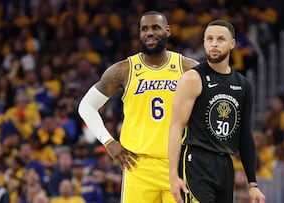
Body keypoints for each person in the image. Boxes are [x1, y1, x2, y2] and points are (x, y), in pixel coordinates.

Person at [78, 11, 198, 202]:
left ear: (168, 31)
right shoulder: (123, 70)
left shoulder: (188, 68)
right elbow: (86, 106)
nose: (149, 32)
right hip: (138, 166)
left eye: (155, 28)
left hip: (179, 164)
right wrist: (109, 142)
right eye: (144, 29)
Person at [168, 19, 265, 203]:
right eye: (209, 39)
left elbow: (245, 135)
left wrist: (252, 184)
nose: (213, 43)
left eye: (220, 39)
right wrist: (173, 175)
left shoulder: (243, 85)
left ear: (232, 44)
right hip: (196, 161)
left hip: (225, 164)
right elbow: (175, 128)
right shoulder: (193, 78)